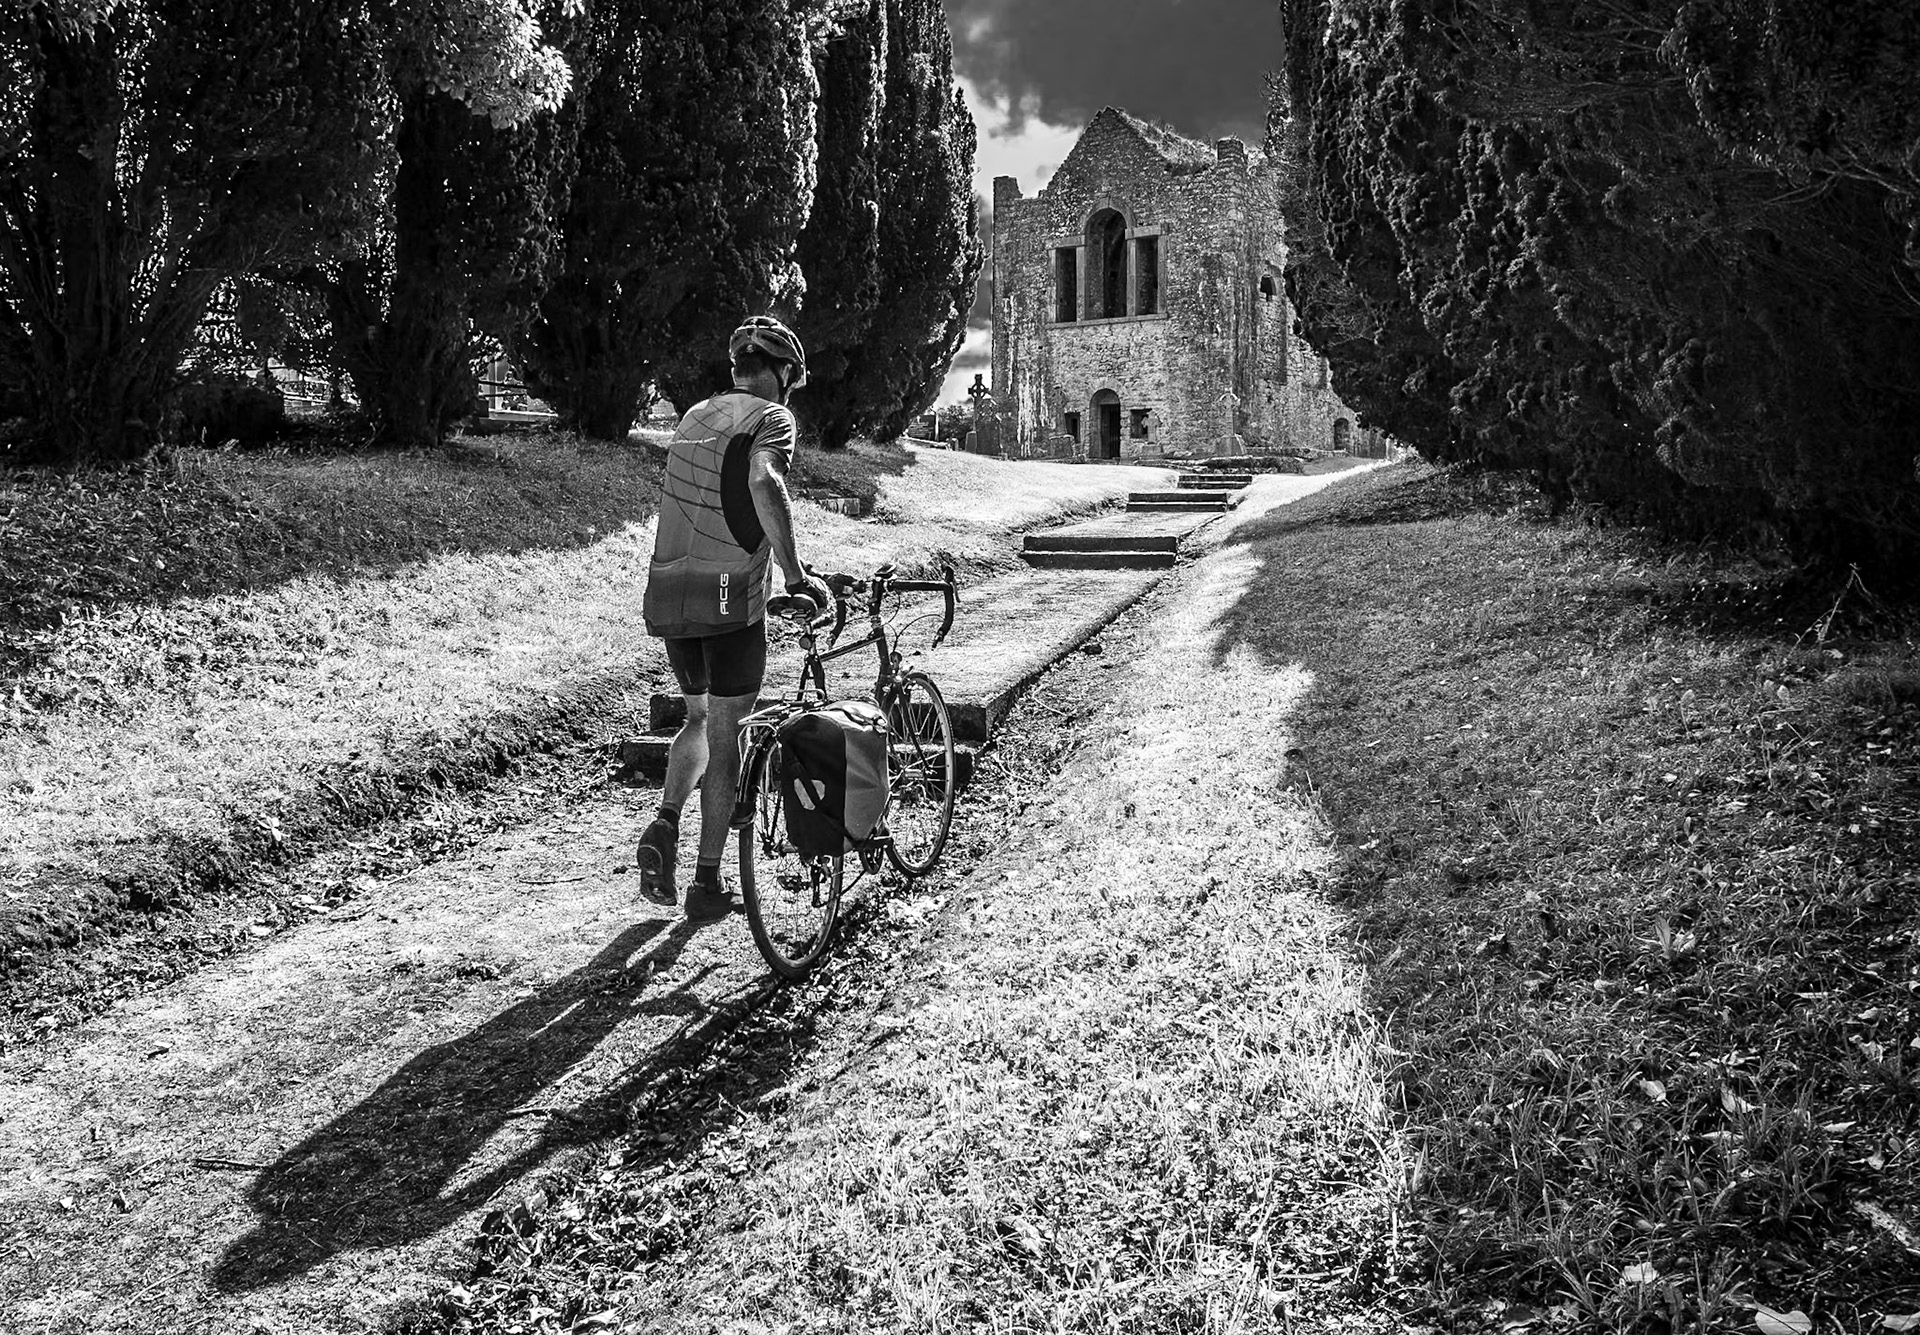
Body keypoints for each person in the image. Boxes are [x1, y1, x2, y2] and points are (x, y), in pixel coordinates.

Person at [635, 316, 832, 921]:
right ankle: (706, 882)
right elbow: (762, 481)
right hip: (729, 594)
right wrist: (796, 576)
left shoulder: (693, 415)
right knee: (729, 734)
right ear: (783, 375)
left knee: (695, 716)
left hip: (669, 592)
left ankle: (666, 820)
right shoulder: (772, 418)